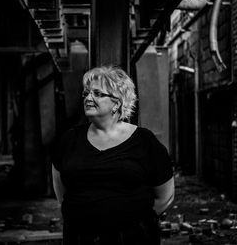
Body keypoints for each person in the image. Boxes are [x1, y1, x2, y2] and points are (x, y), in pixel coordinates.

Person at [52, 66, 174, 245]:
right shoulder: (69, 140)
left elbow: (166, 196)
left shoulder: (144, 141)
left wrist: (133, 224)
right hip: (80, 237)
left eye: (97, 94)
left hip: (132, 239)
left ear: (117, 103)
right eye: (86, 93)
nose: (88, 98)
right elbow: (61, 190)